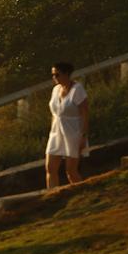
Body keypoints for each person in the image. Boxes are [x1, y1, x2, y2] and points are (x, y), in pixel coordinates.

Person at [45, 62, 89, 190]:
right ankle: (51, 196)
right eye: (53, 74)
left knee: (71, 171)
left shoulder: (77, 89)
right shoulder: (55, 90)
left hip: (73, 132)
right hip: (56, 132)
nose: (54, 77)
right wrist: (52, 131)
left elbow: (85, 113)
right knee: (50, 168)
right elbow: (55, 113)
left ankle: (82, 195)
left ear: (66, 74)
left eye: (57, 74)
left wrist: (83, 136)